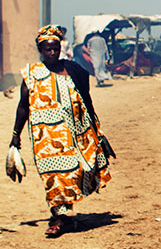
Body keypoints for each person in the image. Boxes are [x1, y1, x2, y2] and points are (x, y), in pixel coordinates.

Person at [9, 25, 112, 237]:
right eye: (47, 49)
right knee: (53, 177)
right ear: (40, 49)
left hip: (74, 137)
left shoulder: (73, 71)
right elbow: (23, 106)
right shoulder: (31, 74)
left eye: (55, 48)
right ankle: (58, 217)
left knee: (73, 173)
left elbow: (86, 102)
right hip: (45, 140)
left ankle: (64, 216)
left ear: (59, 48)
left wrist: (97, 132)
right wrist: (15, 136)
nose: (52, 53)